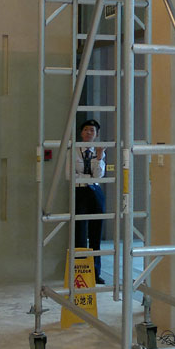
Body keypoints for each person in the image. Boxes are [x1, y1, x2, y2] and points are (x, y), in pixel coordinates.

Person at [72, 119, 106, 284]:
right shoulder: (73, 150)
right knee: (79, 233)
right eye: (86, 129)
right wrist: (88, 177)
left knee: (95, 233)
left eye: (92, 130)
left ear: (96, 134)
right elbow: (70, 174)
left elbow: (99, 176)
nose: (88, 133)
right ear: (81, 132)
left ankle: (95, 272)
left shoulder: (99, 151)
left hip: (95, 192)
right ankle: (80, 272)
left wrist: (99, 157)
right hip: (79, 192)